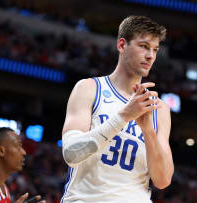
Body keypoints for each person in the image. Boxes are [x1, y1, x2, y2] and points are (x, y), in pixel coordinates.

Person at [60, 15, 174, 203]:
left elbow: (162, 180)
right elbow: (71, 154)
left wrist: (148, 131)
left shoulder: (159, 109)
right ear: (122, 45)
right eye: (144, 46)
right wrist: (123, 117)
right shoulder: (89, 88)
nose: (150, 56)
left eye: (155, 50)